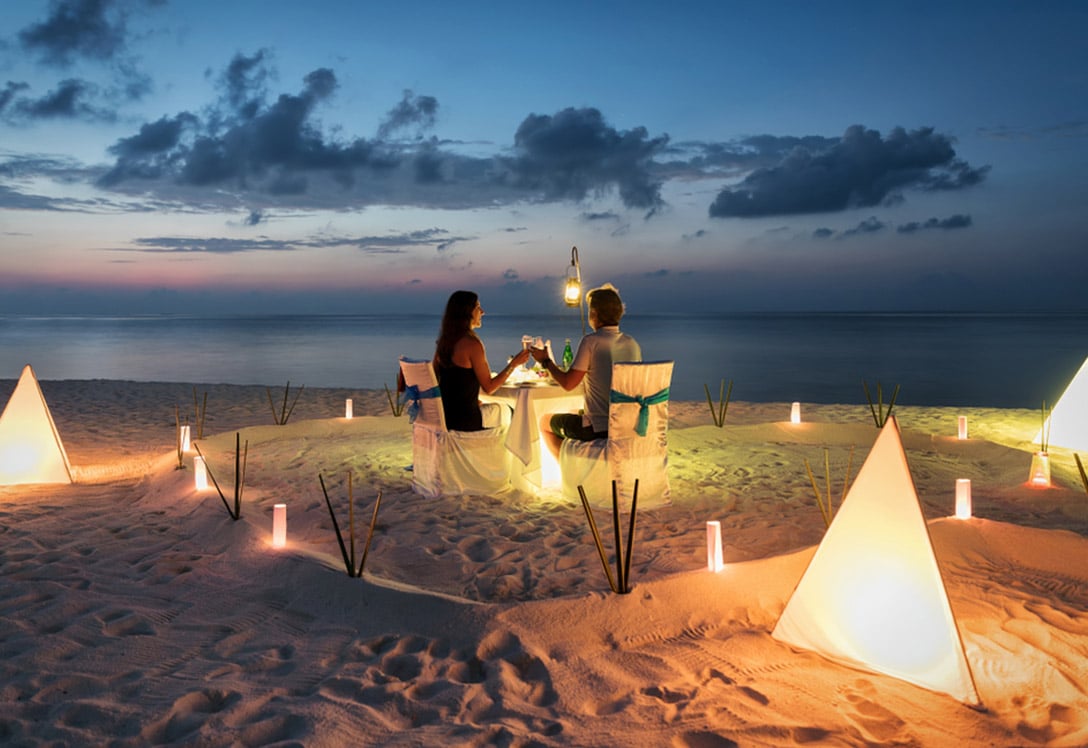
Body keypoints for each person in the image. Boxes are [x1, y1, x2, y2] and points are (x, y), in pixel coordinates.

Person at [529, 283, 641, 457]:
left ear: (594, 314)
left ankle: (569, 474)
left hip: (597, 429)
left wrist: (546, 362)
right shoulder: (632, 343)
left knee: (544, 422)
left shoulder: (591, 342)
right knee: (575, 412)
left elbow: (568, 384)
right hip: (628, 426)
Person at [432, 290, 530, 431]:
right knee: (511, 411)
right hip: (466, 420)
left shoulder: (443, 343)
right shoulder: (472, 344)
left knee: (495, 407)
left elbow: (439, 381)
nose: (482, 312)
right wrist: (514, 364)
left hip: (447, 416)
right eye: (477, 307)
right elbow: (489, 387)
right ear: (467, 312)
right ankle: (508, 452)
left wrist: (467, 400)